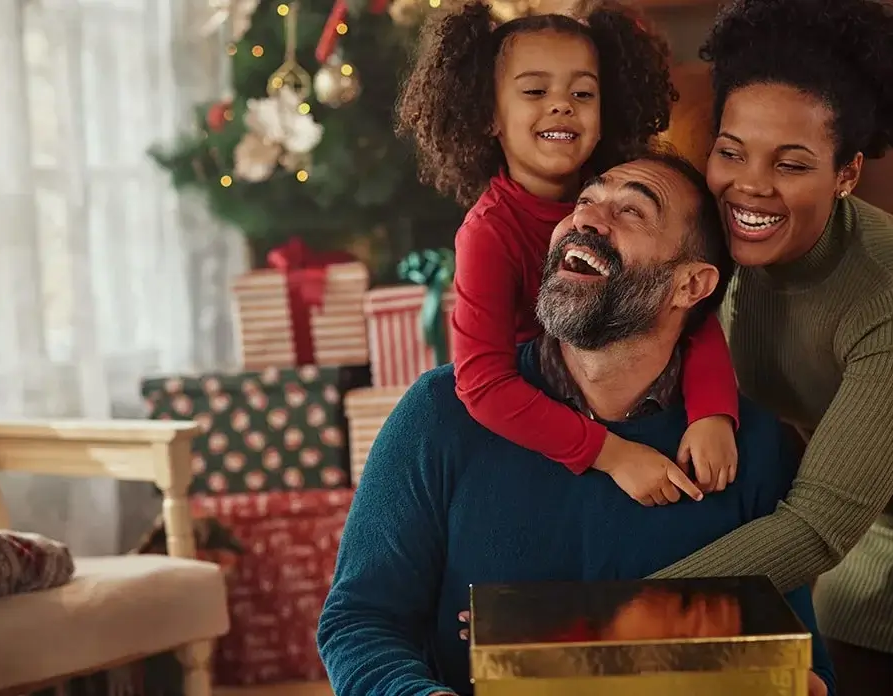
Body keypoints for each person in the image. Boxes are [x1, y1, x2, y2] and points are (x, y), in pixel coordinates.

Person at [317, 152, 834, 696]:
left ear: (690, 286)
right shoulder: (437, 414)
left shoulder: (747, 446)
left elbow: (805, 660)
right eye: (585, 200)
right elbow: (359, 622)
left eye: (633, 212)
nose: (586, 218)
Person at [395, 2, 739, 507]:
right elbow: (483, 383)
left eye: (582, 93)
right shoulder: (488, 232)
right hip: (543, 424)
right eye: (535, 91)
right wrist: (612, 455)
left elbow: (687, 306)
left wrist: (713, 411)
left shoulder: (629, 192)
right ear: (489, 114)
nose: (562, 105)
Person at [645, 1, 893, 691]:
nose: (750, 185)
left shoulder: (882, 299)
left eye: (791, 163)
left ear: (845, 174)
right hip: (835, 566)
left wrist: (619, 607)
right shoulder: (707, 238)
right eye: (731, 151)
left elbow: (818, 525)